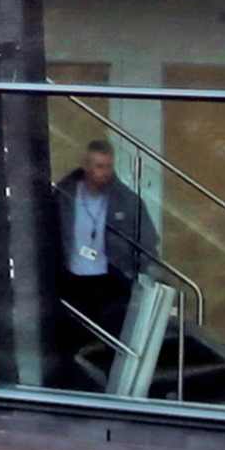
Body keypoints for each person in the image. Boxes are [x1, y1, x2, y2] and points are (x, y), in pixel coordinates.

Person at [50, 137, 157, 391]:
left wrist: (136, 270)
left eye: (108, 166)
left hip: (110, 281)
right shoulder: (64, 195)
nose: (104, 173)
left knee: (110, 343)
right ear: (86, 166)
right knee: (70, 341)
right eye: (98, 166)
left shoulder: (126, 200)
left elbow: (148, 241)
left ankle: (106, 392)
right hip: (72, 280)